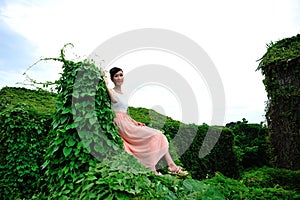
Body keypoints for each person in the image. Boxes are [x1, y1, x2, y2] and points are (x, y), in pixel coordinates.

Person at [104, 67, 188, 176]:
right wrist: (106, 84)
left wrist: (134, 121)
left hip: (127, 121)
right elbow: (114, 101)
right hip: (120, 122)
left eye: (121, 75)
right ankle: (154, 168)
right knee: (156, 135)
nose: (119, 78)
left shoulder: (124, 93)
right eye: (116, 76)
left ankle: (171, 165)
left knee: (159, 136)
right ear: (112, 79)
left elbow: (125, 112)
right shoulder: (111, 91)